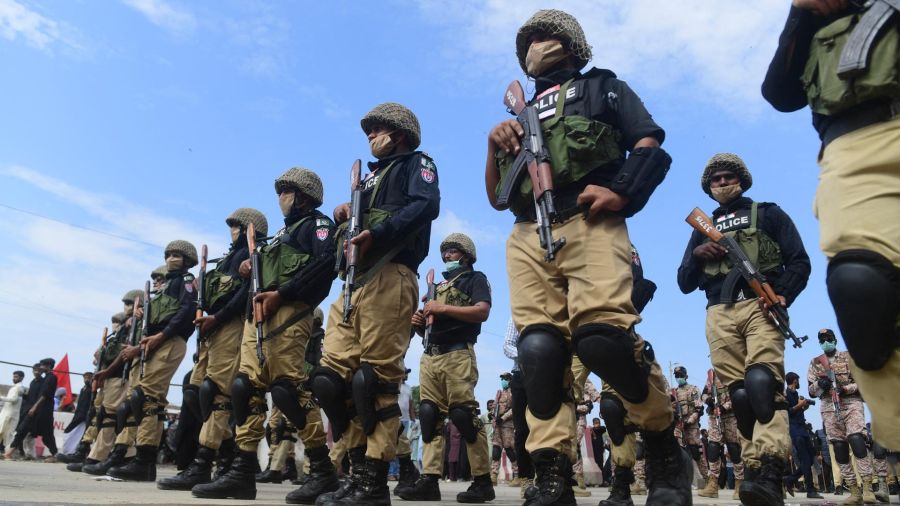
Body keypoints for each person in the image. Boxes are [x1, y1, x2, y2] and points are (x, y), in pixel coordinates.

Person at [485, 8, 684, 505]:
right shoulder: (520, 116)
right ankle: (552, 471)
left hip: (591, 222)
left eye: (544, 36)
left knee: (602, 341)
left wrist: (622, 191)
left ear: (571, 43)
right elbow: (496, 197)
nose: (534, 44)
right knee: (539, 353)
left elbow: (648, 140)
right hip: (528, 233)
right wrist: (495, 145)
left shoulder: (604, 88)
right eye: (527, 39)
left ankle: (662, 447)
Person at [761, 0, 900, 452]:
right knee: (862, 287)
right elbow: (781, 93)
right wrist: (802, 12)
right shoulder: (821, 13)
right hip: (857, 145)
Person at [311, 101, 440, 506]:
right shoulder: (367, 180)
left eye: (377, 130)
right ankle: (353, 465)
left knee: (376, 382)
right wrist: (346, 216)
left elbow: (425, 205)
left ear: (399, 134)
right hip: (351, 285)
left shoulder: (417, 164)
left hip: (391, 275)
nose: (371, 136)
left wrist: (377, 233)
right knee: (330, 382)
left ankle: (373, 479)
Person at [193, 168, 339, 504]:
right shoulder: (278, 239)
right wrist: (248, 269)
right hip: (254, 320)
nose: (281, 199)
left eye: (285, 192)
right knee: (245, 389)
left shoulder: (317, 227)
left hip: (287, 313)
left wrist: (283, 294)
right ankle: (242, 472)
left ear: (301, 195)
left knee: (287, 390)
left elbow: (324, 266)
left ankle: (322, 469)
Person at [678, 152, 811, 505]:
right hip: (719, 310)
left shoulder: (768, 214)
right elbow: (683, 282)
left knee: (762, 383)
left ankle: (771, 469)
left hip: (760, 305)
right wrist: (698, 254)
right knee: (739, 395)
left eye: (727, 177)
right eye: (715, 180)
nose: (722, 184)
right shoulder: (702, 227)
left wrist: (782, 295)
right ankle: (752, 471)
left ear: (741, 180)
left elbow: (799, 261)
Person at [158, 208, 265, 492]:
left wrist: (218, 317)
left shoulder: (251, 253)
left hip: (231, 324)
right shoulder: (227, 259)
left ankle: (204, 463)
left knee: (216, 393)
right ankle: (227, 453)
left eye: (235, 225)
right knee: (195, 391)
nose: (231, 229)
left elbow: (244, 293)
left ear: (247, 229)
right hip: (211, 330)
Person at [400, 233, 494, 503]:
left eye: (452, 251)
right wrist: (419, 322)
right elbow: (428, 329)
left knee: (463, 415)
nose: (447, 256)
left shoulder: (474, 279)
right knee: (428, 415)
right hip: (430, 355)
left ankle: (482, 481)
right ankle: (429, 480)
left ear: (466, 255)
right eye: (445, 252)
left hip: (457, 354)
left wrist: (441, 308)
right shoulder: (437, 286)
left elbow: (482, 311)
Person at [107, 240, 198, 481]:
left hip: (169, 340)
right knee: (146, 400)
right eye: (169, 255)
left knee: (146, 398)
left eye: (177, 255)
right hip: (153, 343)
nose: (171, 259)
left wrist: (162, 335)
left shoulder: (186, 282)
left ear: (188, 260)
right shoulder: (164, 290)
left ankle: (143, 461)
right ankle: (143, 459)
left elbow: (186, 312)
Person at [807, 328, 880, 503]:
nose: (826, 341)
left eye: (828, 338)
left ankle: (868, 487)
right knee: (839, 448)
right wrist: (820, 384)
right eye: (822, 339)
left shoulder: (848, 357)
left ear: (834, 339)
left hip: (850, 404)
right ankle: (854, 490)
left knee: (857, 441)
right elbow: (811, 391)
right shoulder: (816, 362)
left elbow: (862, 381)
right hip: (829, 407)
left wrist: (845, 388)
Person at [83, 295, 142, 475]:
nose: (126, 308)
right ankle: (114, 455)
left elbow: (126, 350)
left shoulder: (137, 325)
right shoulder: (121, 330)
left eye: (129, 303)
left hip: (122, 374)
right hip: (113, 375)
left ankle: (102, 455)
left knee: (115, 415)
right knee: (107, 415)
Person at [698, 369, 747, 500]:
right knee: (713, 447)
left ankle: (739, 484)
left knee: (734, 449)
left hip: (731, 417)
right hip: (714, 416)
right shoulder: (712, 376)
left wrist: (725, 406)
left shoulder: (734, 371)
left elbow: (740, 394)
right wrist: (708, 400)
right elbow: (703, 393)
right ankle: (713, 484)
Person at [7, 358, 58, 461]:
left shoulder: (51, 378)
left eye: (42, 366)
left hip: (44, 411)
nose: (40, 368)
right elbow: (35, 395)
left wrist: (34, 407)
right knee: (23, 429)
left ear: (48, 366)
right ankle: (9, 453)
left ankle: (55, 455)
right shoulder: (43, 379)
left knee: (47, 435)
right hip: (36, 410)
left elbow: (45, 395)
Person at [783, 372, 824, 499]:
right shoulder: (785, 394)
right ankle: (810, 490)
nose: (799, 382)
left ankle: (790, 479)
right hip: (795, 430)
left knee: (811, 458)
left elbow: (797, 411)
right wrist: (799, 405)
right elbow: (787, 412)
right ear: (795, 380)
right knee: (805, 460)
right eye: (798, 380)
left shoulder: (796, 394)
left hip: (802, 429)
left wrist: (803, 407)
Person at [670, 366, 706, 479]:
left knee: (696, 453)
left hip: (691, 425)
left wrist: (689, 421)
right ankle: (679, 479)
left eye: (681, 375)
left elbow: (699, 409)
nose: (679, 378)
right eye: (677, 376)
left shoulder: (693, 389)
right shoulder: (673, 393)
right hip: (678, 426)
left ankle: (707, 478)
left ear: (686, 376)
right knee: (676, 451)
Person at [56, 372, 93, 462]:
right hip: (78, 415)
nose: (86, 379)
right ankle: (70, 452)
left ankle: (76, 453)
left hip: (85, 416)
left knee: (82, 436)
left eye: (88, 377)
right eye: (85, 378)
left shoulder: (92, 390)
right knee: (69, 432)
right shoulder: (83, 389)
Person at [489, 372, 518, 486]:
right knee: (496, 450)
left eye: (505, 379)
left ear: (510, 380)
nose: (503, 381)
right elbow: (495, 407)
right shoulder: (499, 393)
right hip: (497, 426)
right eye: (502, 379)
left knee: (510, 450)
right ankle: (493, 475)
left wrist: (503, 418)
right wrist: (491, 414)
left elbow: (514, 408)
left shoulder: (513, 393)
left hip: (508, 426)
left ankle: (517, 475)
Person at [0, 370, 26, 452]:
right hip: (7, 413)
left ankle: (6, 451)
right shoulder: (16, 387)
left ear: (21, 378)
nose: (14, 378)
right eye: (14, 376)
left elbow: (14, 399)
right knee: (3, 432)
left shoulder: (19, 387)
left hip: (10, 414)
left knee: (7, 434)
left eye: (16, 377)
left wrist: (1, 398)